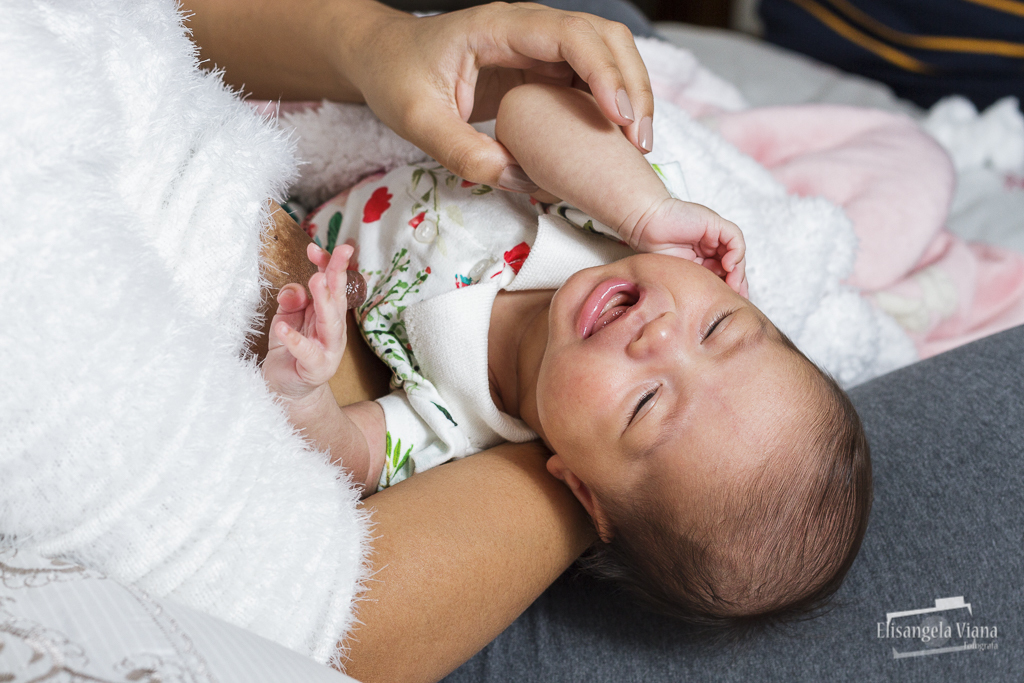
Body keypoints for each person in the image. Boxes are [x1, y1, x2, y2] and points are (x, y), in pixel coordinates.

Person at [260, 81, 871, 627]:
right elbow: (528, 106)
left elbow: (351, 454)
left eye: (646, 403)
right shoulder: (622, 224)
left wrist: (305, 388)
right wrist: (647, 209)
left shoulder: (459, 425)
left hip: (286, 210)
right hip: (384, 112)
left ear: (581, 489)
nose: (660, 338)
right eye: (716, 328)